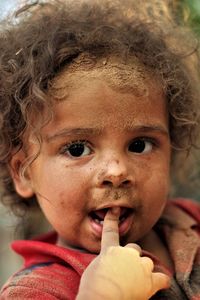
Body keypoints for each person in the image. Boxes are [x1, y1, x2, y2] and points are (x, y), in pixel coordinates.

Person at [0, 0, 200, 299]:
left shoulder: (190, 221)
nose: (116, 171)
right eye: (78, 149)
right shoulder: (34, 291)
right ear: (24, 172)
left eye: (139, 145)